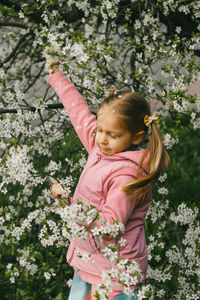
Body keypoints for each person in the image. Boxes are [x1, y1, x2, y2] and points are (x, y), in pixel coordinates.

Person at [47, 64, 170, 300]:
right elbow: (79, 114)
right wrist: (57, 78)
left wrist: (71, 206)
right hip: (91, 264)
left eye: (113, 135)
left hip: (115, 274)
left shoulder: (126, 177)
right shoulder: (100, 145)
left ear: (136, 137)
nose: (102, 139)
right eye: (100, 130)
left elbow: (110, 225)